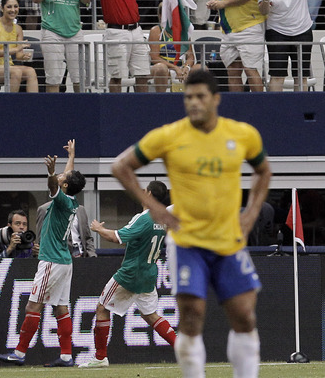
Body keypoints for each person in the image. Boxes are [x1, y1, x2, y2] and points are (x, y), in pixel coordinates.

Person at [111, 69, 272, 378]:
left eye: (200, 97)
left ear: (216, 99)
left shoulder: (242, 134)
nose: (194, 103)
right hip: (187, 243)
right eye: (188, 97)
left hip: (228, 241)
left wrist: (250, 213)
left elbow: (263, 171)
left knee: (244, 317)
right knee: (192, 316)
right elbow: (121, 166)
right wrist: (154, 209)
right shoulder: (169, 136)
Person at [0, 139, 86, 367]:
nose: (62, 177)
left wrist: (52, 172)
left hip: (52, 261)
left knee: (33, 306)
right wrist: (72, 156)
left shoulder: (63, 200)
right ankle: (66, 356)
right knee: (60, 308)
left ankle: (20, 353)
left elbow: (54, 185)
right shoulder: (71, 199)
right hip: (64, 262)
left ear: (64, 186)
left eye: (63, 178)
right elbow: (67, 178)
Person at [80, 181, 176, 368]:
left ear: (148, 195)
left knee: (102, 308)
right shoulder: (164, 217)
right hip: (149, 273)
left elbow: (116, 237)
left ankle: (100, 358)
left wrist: (99, 229)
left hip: (131, 273)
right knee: (151, 315)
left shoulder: (144, 218)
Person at [32, 0, 91, 93]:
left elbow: (87, 1)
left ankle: (81, 109)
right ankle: (53, 113)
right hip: (52, 33)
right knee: (53, 77)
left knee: (79, 77)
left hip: (74, 33)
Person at [0, 0, 38, 93]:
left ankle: (34, 105)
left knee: (31, 71)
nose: (13, 10)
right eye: (9, 7)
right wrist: (16, 49)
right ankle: (11, 105)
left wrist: (24, 56)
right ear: (2, 8)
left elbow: (18, 55)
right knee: (16, 72)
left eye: (15, 6)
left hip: (8, 65)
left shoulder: (18, 29)